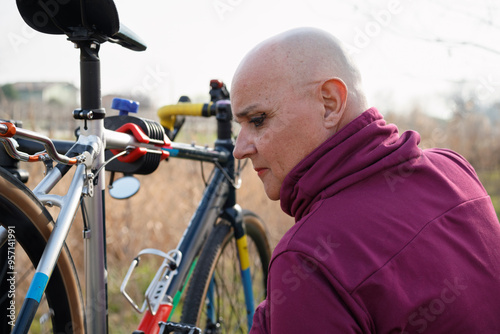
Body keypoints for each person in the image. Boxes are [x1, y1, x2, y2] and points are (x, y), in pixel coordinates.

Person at [231, 27, 500, 333]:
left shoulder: (309, 258)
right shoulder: (453, 168)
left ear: (329, 104)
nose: (240, 149)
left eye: (257, 120)